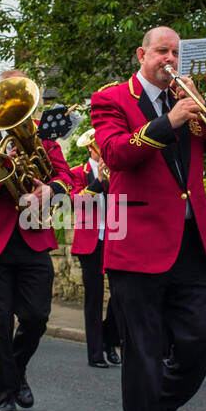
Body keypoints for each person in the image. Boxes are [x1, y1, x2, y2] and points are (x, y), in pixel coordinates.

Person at [90, 26, 206, 411]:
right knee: (143, 350)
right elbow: (115, 154)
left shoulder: (189, 98)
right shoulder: (112, 98)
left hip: (192, 242)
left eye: (176, 53)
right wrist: (169, 122)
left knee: (203, 343)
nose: (169, 59)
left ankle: (157, 408)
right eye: (161, 52)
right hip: (138, 241)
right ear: (142, 54)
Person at [0, 70, 74, 411]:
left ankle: (16, 371)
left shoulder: (42, 137)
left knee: (36, 317)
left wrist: (51, 190)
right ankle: (4, 393)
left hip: (33, 236)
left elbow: (66, 177)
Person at [68, 134, 121, 368]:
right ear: (91, 147)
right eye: (100, 144)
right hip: (90, 241)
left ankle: (109, 339)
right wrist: (98, 182)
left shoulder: (116, 170)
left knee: (121, 295)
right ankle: (95, 353)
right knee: (94, 297)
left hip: (115, 237)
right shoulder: (78, 172)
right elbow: (76, 201)